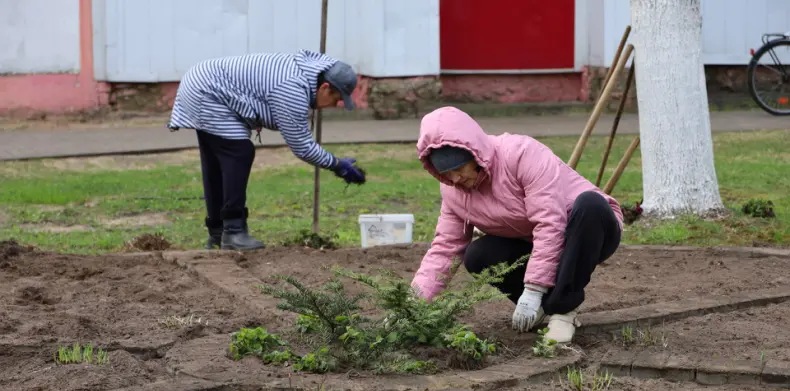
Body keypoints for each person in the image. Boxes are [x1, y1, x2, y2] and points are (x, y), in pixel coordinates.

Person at [410, 107, 624, 344]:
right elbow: (445, 247)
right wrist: (411, 305)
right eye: (446, 174)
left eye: (459, 169)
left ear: (475, 155)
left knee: (590, 203)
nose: (455, 180)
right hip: (531, 241)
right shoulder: (454, 191)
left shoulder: (522, 154)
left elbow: (549, 223)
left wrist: (533, 289)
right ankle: (546, 305)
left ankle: (563, 311)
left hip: (589, 230)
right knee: (479, 254)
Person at [168, 49, 366, 251]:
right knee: (238, 152)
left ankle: (218, 233)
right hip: (208, 91)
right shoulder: (292, 88)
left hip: (201, 81)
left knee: (217, 160)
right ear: (325, 87)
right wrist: (337, 165)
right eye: (337, 99)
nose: (334, 104)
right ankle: (233, 232)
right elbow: (302, 146)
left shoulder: (317, 68)